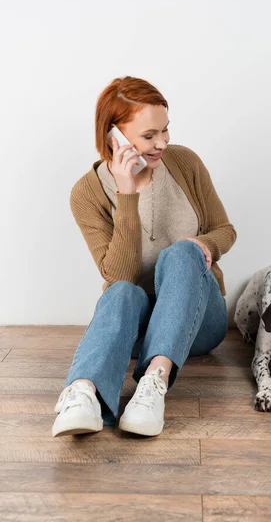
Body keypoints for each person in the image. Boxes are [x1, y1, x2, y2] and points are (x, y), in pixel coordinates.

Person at [52, 76, 237, 438]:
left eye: (165, 131)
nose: (162, 143)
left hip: (200, 322)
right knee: (121, 292)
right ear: (113, 136)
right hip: (135, 333)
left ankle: (154, 384)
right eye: (149, 136)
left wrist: (205, 247)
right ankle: (83, 394)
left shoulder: (185, 163)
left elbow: (225, 230)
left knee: (182, 253)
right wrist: (127, 193)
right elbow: (119, 274)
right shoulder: (86, 193)